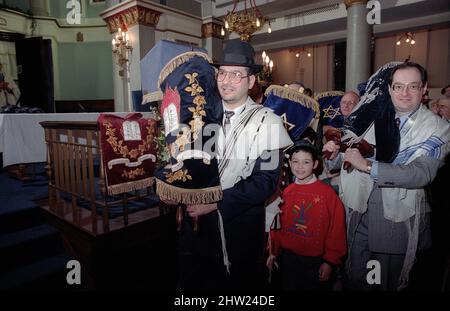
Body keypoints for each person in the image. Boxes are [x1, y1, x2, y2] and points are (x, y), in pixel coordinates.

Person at [323, 62, 450, 291]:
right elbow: (350, 154)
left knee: (385, 283)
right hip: (357, 209)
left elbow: (420, 174)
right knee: (355, 278)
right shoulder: (373, 116)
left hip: (397, 219)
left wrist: (368, 166)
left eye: (413, 86)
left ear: (424, 89)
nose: (404, 93)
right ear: (389, 89)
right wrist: (334, 154)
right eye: (398, 86)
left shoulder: (437, 127)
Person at [180, 39, 292, 290]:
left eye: (236, 75)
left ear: (251, 81)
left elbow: (265, 183)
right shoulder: (205, 118)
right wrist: (176, 189)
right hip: (198, 227)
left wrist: (214, 202)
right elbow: (197, 167)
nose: (227, 80)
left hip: (238, 228)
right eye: (222, 73)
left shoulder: (269, 123)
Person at [266, 141, 347, 290]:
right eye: (295, 162)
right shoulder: (286, 191)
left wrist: (330, 261)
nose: (299, 167)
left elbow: (337, 229)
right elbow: (276, 224)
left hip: (315, 260)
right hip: (287, 258)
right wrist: (273, 252)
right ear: (289, 163)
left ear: (315, 164)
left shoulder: (327, 194)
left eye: (306, 162)